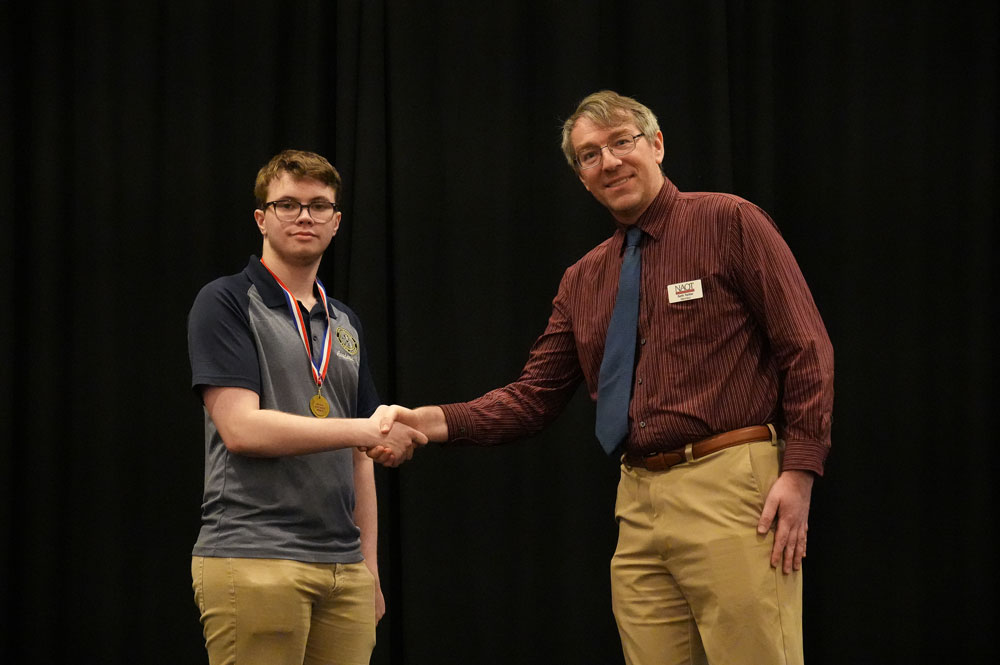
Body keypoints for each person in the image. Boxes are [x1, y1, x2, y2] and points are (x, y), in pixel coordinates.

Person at [372, 91, 833, 665]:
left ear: (656, 145)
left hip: (733, 484)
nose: (609, 162)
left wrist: (800, 471)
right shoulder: (584, 279)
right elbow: (532, 398)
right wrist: (428, 421)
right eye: (590, 155)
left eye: (621, 142)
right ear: (582, 178)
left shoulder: (729, 221)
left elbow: (805, 346)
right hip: (637, 501)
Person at [187, 149, 427, 665]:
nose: (304, 216)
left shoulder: (345, 322)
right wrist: (365, 430)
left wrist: (369, 569)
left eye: (319, 206)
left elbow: (362, 456)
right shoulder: (225, 301)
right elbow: (241, 429)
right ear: (262, 218)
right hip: (254, 553)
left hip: (344, 568)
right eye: (288, 204)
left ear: (336, 222)